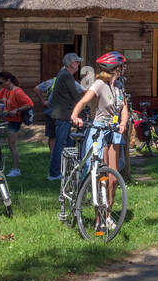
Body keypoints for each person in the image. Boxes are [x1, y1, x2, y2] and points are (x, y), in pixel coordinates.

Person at [71, 52, 129, 233]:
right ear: (116, 69)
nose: (123, 70)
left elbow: (124, 108)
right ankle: (99, 219)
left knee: (112, 179)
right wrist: (75, 115)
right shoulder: (99, 84)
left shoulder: (119, 86)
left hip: (114, 132)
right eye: (122, 67)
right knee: (100, 178)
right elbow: (83, 101)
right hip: (100, 130)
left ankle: (109, 215)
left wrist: (123, 123)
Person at [48, 52, 85, 181]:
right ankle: (54, 173)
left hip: (63, 114)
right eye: (77, 62)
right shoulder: (66, 76)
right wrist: (84, 104)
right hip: (63, 115)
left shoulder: (63, 74)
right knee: (61, 144)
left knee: (68, 143)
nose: (78, 64)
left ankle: (68, 168)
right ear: (71, 64)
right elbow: (75, 95)